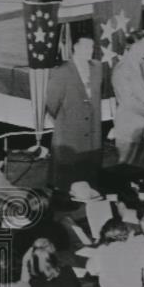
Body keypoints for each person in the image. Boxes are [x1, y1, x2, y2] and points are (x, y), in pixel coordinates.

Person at [45, 35, 103, 193]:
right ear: (75, 48)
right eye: (85, 47)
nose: (89, 51)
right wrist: (65, 119)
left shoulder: (98, 67)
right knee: (67, 171)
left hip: (92, 130)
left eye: (91, 48)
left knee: (90, 170)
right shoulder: (61, 71)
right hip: (70, 131)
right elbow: (51, 103)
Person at [111, 31, 144, 170]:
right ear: (133, 47)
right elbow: (129, 102)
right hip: (130, 127)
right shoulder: (121, 70)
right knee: (128, 167)